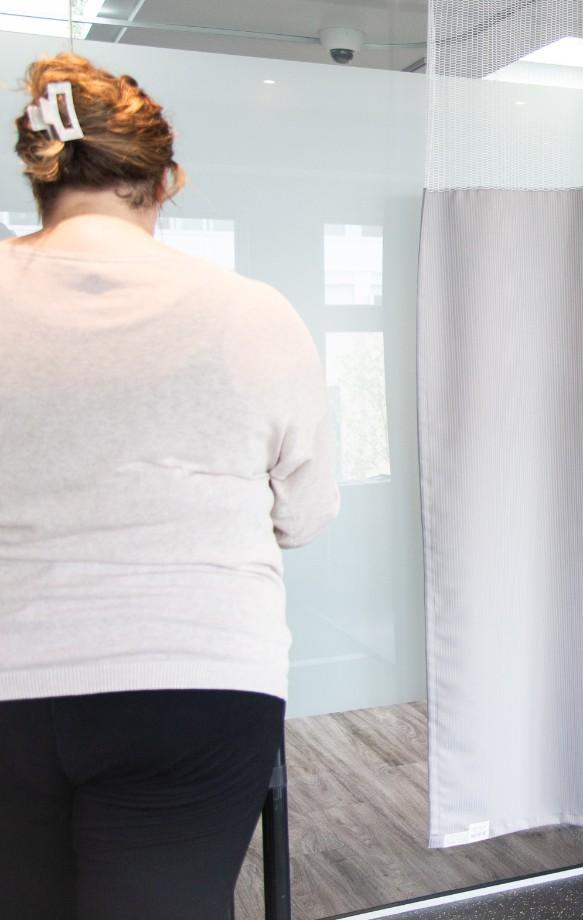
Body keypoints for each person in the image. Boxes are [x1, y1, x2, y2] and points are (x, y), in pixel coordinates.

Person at [0, 53, 340, 917]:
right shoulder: (249, 310)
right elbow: (305, 512)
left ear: (40, 175)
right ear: (164, 179)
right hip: (195, 680)